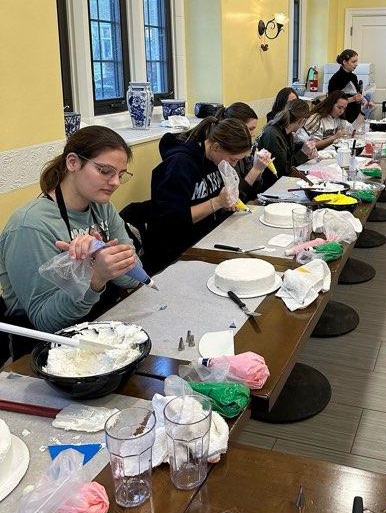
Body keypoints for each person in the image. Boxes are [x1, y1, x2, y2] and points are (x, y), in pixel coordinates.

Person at [0, 127, 139, 343]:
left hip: (99, 323)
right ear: (73, 162)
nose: (116, 183)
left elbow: (133, 280)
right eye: (105, 171)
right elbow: (45, 322)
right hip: (45, 344)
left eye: (121, 175)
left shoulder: (102, 207)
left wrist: (105, 256)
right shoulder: (30, 226)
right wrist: (95, 278)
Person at [144, 115, 253, 274]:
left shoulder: (215, 160)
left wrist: (225, 206)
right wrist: (217, 203)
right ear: (215, 146)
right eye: (233, 159)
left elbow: (208, 200)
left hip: (205, 241)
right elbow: (171, 221)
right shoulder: (179, 165)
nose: (234, 165)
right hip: (174, 255)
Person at [213, 102, 272, 199]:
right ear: (236, 128)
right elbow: (236, 198)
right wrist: (256, 170)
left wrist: (259, 170)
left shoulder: (243, 152)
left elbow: (253, 193)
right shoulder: (224, 155)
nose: (253, 134)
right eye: (250, 129)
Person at [255, 99, 312, 192]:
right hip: (268, 187)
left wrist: (304, 149)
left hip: (276, 182)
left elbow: (289, 154)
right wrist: (303, 153)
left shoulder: (286, 132)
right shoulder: (273, 135)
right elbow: (283, 170)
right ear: (302, 121)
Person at [328, 49, 365, 124]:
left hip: (355, 116)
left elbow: (356, 94)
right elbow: (333, 101)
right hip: (342, 118)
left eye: (356, 61)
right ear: (344, 62)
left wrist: (361, 99)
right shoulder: (335, 79)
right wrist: (353, 99)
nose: (356, 64)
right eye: (353, 61)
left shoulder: (354, 77)